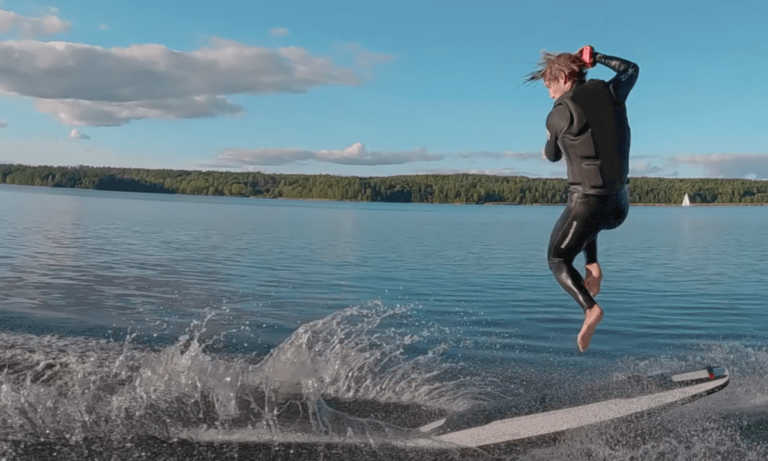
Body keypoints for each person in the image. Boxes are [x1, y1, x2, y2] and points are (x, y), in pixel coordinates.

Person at [525, 46, 639, 351]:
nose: (550, 94)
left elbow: (551, 156)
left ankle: (590, 308)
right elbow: (631, 68)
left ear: (563, 78)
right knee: (591, 222)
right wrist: (597, 56)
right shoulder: (613, 91)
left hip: (588, 204)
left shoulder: (561, 111)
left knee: (558, 259)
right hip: (619, 206)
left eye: (549, 86)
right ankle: (593, 267)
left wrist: (548, 140)